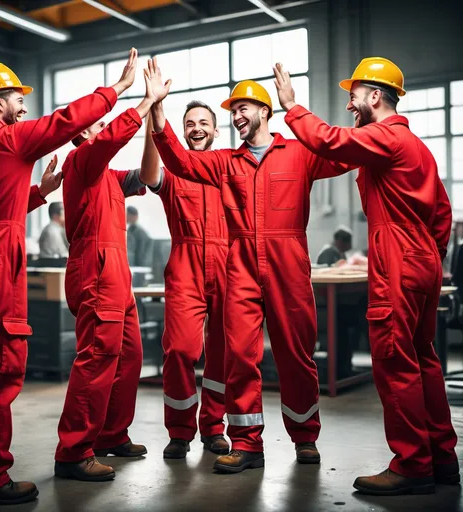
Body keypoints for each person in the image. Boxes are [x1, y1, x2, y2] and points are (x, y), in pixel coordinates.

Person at [148, 57, 351, 473]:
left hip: (288, 264)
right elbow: (180, 161)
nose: (238, 114)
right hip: (239, 265)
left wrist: (296, 108)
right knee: (240, 356)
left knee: (296, 354)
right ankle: (246, 443)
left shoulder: (299, 154)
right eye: (233, 110)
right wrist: (157, 110)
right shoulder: (225, 161)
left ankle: (305, 437)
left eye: (244, 107)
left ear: (265, 111)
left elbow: (345, 153)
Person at [0, 57, 139, 506]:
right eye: (18, 97)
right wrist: (119, 89)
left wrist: (39, 193)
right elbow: (66, 120)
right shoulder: (10, 140)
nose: (23, 106)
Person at [275, 56, 459, 495]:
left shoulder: (386, 136)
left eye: (354, 95)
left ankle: (412, 464)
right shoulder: (416, 146)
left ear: (376, 95)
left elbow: (330, 141)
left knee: (395, 360)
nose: (350, 104)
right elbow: (443, 213)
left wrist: (291, 106)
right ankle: (441, 457)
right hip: (424, 258)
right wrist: (427, 258)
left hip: (396, 254)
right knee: (423, 359)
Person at [54, 48, 164, 482]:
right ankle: (73, 451)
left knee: (130, 356)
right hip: (95, 270)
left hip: (117, 275)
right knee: (97, 358)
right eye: (97, 122)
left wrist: (154, 118)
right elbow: (109, 139)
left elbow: (149, 175)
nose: (102, 125)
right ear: (82, 134)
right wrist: (139, 102)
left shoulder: (111, 178)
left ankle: (111, 434)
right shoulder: (81, 163)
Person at [144, 102, 229, 459]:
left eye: (203, 123)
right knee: (179, 349)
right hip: (185, 265)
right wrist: (153, 117)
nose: (196, 127)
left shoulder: (228, 167)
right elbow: (149, 176)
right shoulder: (173, 172)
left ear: (215, 130)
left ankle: (213, 427)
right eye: (189, 122)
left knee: (224, 352)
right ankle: (179, 431)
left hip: (228, 264)